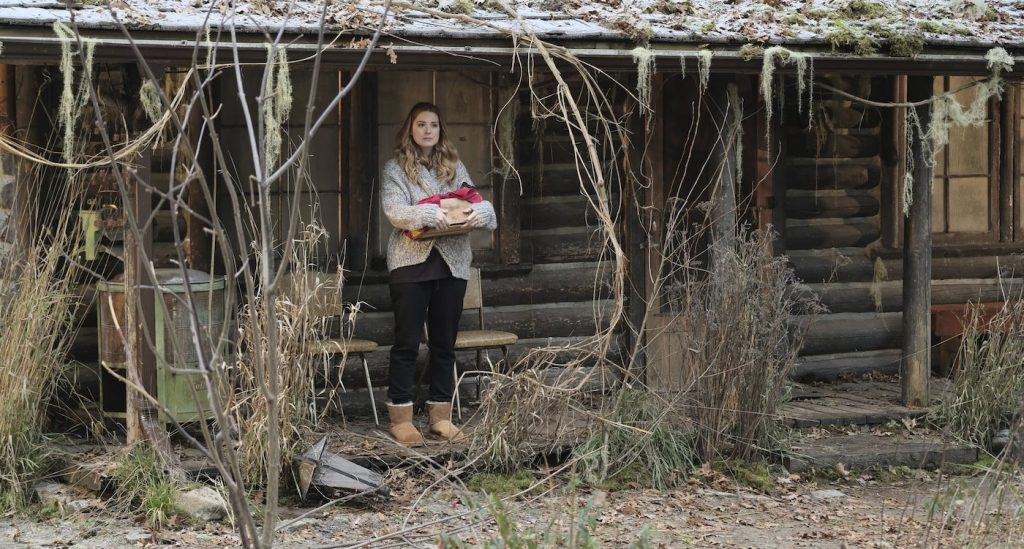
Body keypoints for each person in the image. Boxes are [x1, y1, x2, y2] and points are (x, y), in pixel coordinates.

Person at [380, 102, 497, 446]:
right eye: (421, 124)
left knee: (445, 343)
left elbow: (477, 201)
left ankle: (440, 417)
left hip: (453, 264)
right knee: (407, 342)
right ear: (410, 129)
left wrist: (479, 212)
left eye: (433, 124)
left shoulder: (453, 166)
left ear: (440, 130)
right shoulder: (395, 168)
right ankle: (401, 417)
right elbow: (395, 211)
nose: (428, 130)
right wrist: (430, 212)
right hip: (410, 264)